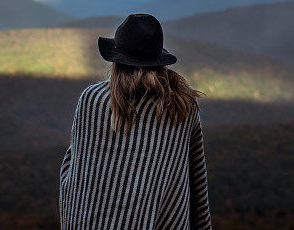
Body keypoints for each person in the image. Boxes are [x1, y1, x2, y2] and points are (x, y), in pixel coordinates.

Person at [58, 13, 212, 230]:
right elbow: (196, 181)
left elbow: (77, 175)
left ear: (116, 61)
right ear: (159, 61)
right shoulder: (182, 106)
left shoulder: (93, 100)